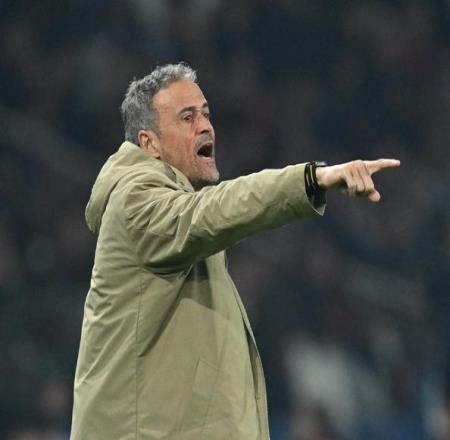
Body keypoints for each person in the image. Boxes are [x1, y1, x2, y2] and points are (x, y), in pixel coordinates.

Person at [70, 62, 400, 440]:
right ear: (150, 144)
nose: (206, 126)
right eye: (187, 118)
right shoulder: (134, 201)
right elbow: (216, 210)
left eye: (206, 114)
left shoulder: (175, 213)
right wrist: (312, 179)